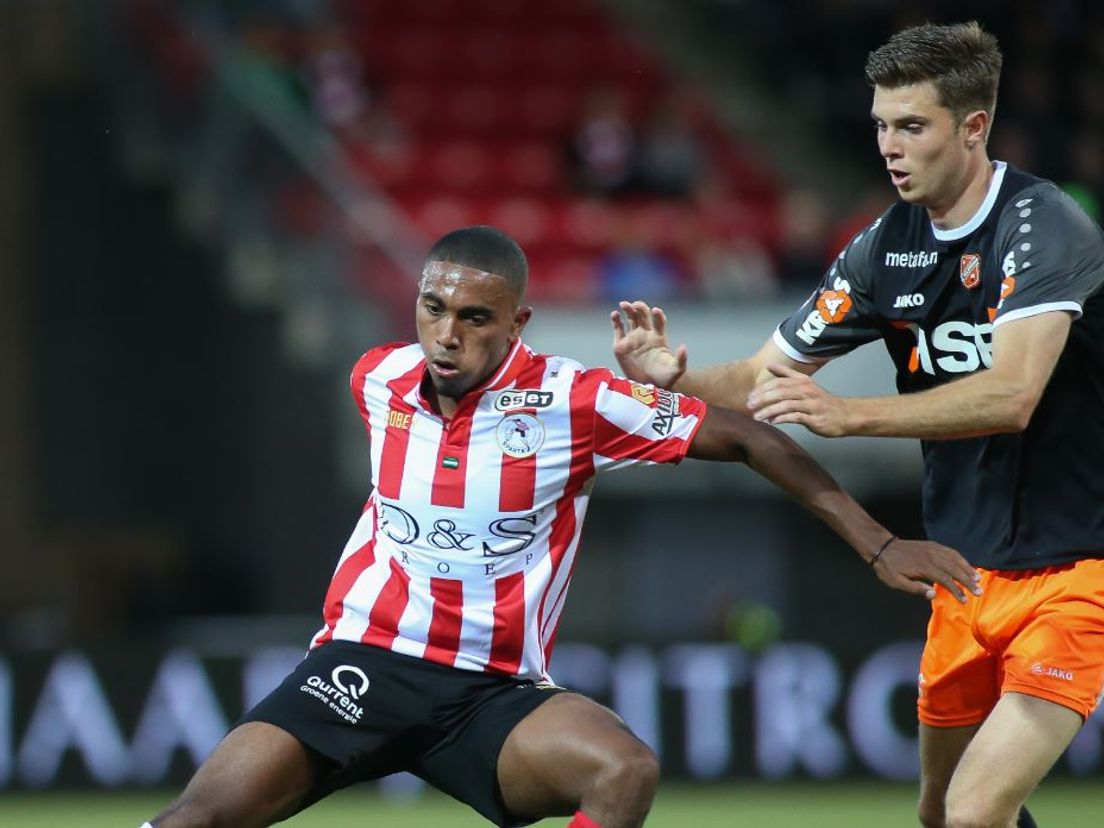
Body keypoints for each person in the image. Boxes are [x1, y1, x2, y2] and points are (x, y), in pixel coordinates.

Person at [143, 225, 978, 828]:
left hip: (489, 693)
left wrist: (878, 540)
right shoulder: (379, 378)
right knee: (198, 817)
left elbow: (752, 436)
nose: (448, 333)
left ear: (517, 325)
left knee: (623, 773)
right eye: (435, 308)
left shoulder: (572, 401)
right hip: (362, 662)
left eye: (476, 318)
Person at [611, 21, 1104, 828]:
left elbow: (1014, 393)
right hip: (963, 574)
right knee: (938, 814)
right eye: (881, 124)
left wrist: (850, 416)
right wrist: (680, 379)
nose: (889, 145)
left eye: (912, 126)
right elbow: (766, 377)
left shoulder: (1046, 227)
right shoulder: (884, 247)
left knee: (978, 811)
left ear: (973, 127)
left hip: (1076, 570)